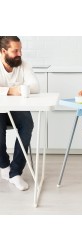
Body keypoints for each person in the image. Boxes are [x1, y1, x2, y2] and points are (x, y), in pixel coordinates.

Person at [0, 36, 40, 191]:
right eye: (15, 50)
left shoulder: (24, 65)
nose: (19, 54)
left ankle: (15, 172)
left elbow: (35, 87)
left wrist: (4, 91)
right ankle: (3, 165)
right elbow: (25, 88)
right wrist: (14, 90)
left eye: (20, 50)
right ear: (3, 51)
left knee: (28, 125)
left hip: (17, 108)